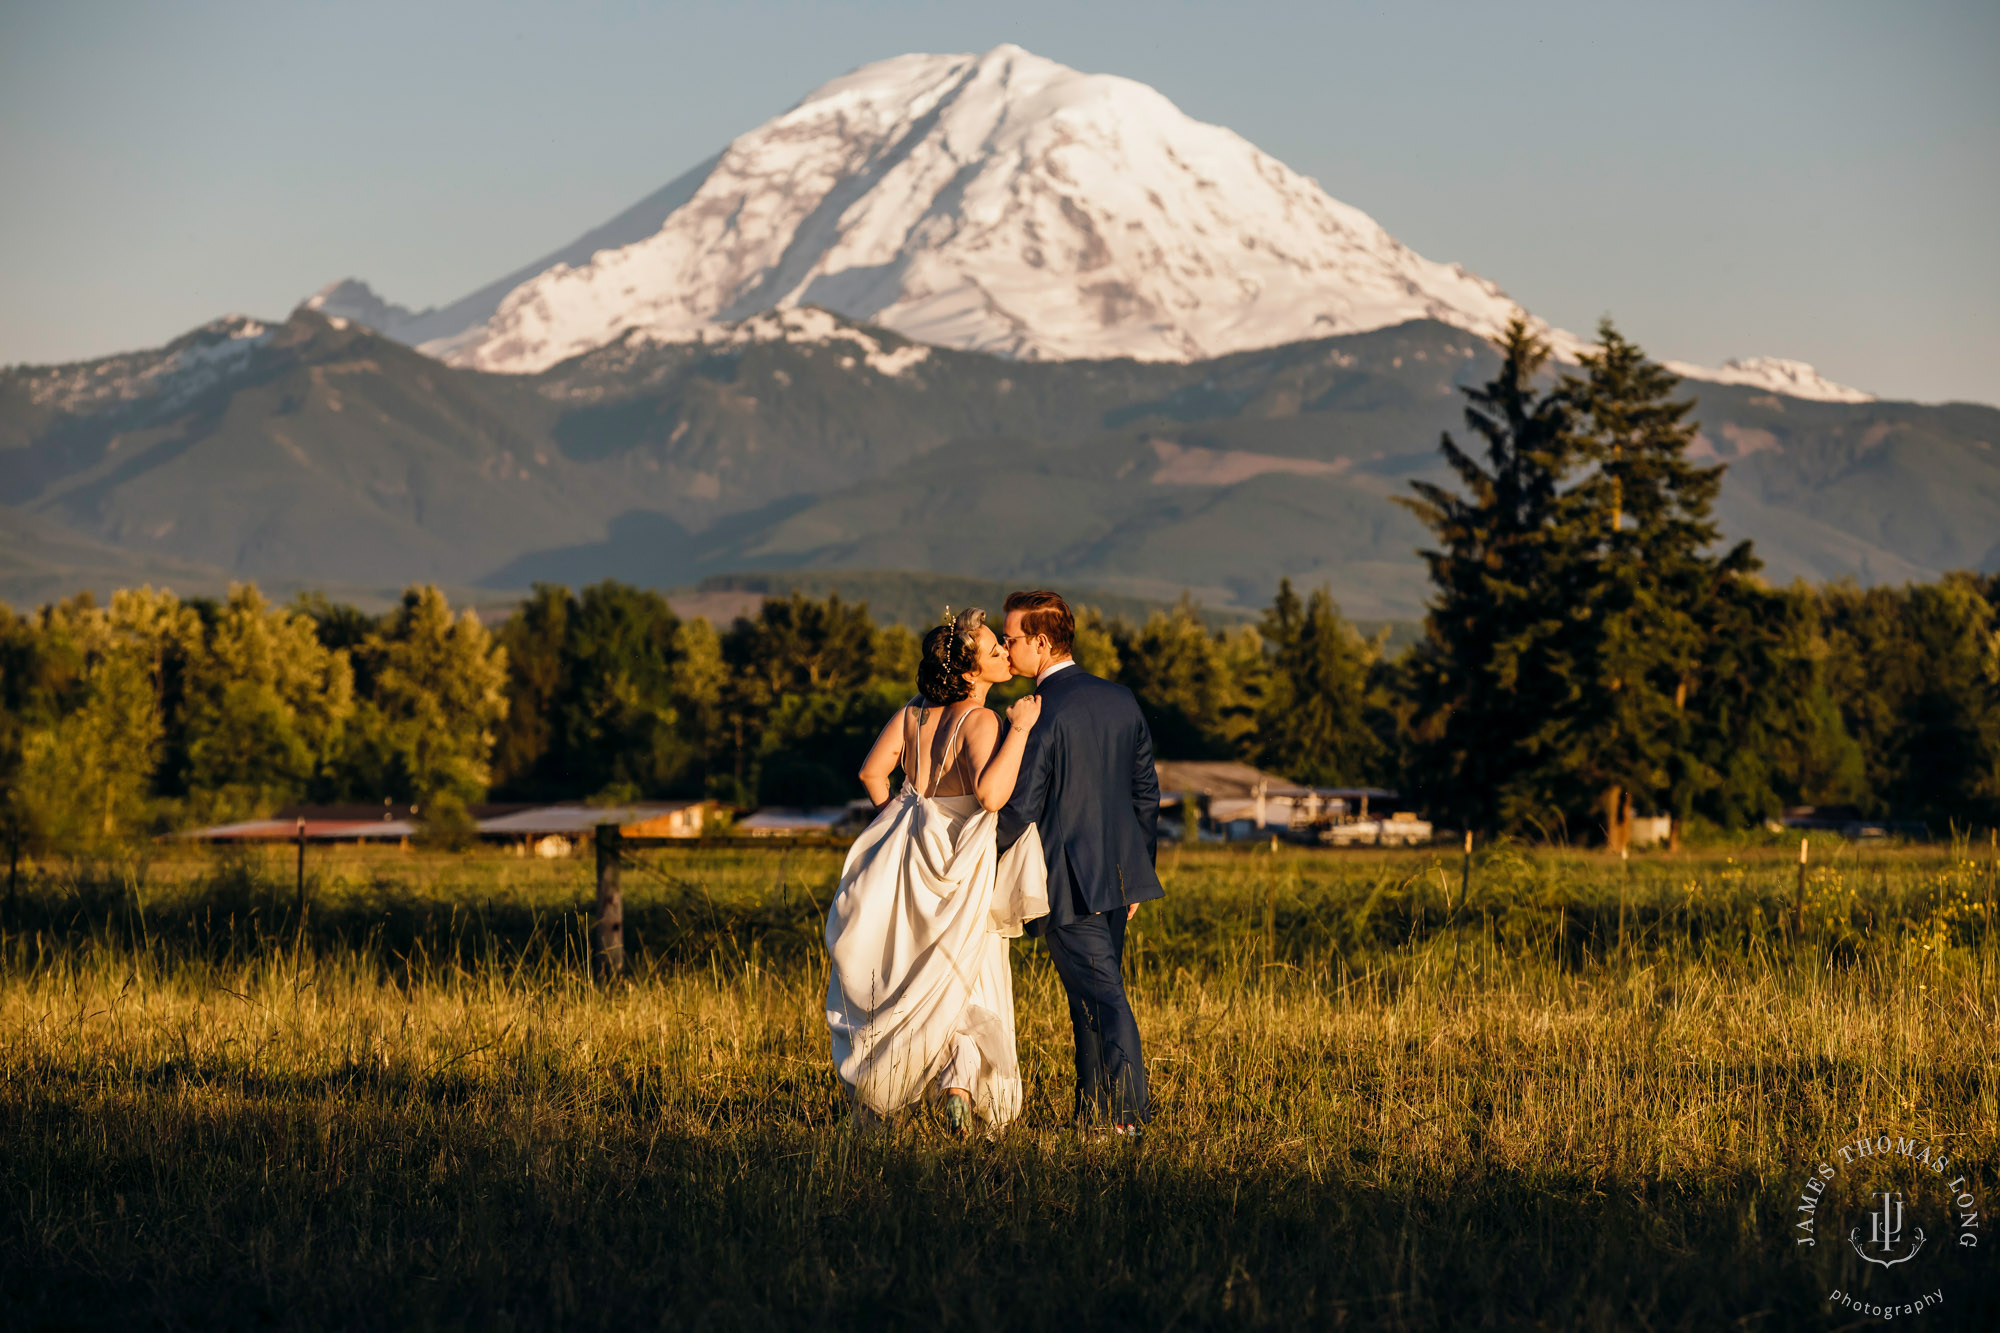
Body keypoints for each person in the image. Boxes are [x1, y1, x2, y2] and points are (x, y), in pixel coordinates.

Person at [824, 608, 1050, 1134]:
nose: (1002, 655)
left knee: (908, 970)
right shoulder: (984, 720)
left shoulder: (913, 714)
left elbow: (871, 772)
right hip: (959, 864)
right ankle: (958, 1084)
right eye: (994, 651)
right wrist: (1019, 730)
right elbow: (991, 795)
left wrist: (901, 820)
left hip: (903, 858)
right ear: (971, 671)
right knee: (963, 971)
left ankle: (909, 1085)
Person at [996, 589, 1163, 1139]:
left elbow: (1020, 806)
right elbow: (1146, 793)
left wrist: (966, 854)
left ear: (1042, 643)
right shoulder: (1121, 699)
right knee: (1090, 1001)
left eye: (1012, 638)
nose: (1005, 646)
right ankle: (1092, 1116)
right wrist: (1137, 872)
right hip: (1118, 880)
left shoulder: (1044, 714)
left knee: (1103, 999)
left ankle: (1125, 1119)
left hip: (1065, 881)